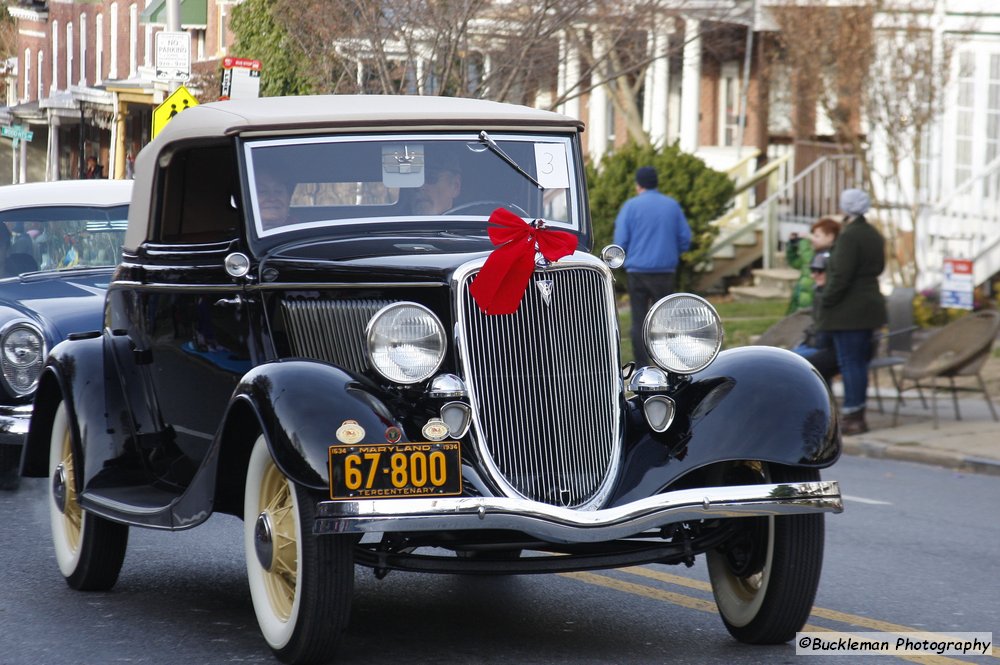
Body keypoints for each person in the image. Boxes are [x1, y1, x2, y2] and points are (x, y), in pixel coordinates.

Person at [816, 188, 887, 435]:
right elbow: (878, 267)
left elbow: (841, 276)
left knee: (850, 363)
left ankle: (853, 417)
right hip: (870, 305)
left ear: (847, 207)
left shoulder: (849, 236)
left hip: (849, 310)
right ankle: (853, 413)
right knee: (857, 363)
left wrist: (826, 299)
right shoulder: (873, 234)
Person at [613, 166, 692, 366]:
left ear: (638, 184)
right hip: (665, 271)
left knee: (639, 320)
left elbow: (620, 242)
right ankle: (668, 363)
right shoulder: (672, 206)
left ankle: (642, 365)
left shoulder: (630, 207)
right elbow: (685, 238)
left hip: (637, 271)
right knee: (666, 320)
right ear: (656, 182)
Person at [792, 251, 839, 384]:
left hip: (832, 347)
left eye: (820, 270)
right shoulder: (818, 291)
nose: (814, 275)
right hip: (817, 343)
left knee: (800, 366)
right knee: (784, 360)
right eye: (813, 270)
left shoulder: (834, 295)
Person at [786, 216, 842, 313]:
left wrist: (804, 241)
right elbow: (795, 262)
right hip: (800, 304)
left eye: (816, 236)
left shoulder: (831, 256)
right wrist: (792, 246)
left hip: (815, 308)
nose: (812, 239)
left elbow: (809, 259)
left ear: (830, 237)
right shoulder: (811, 253)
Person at [411, 151, 461, 215]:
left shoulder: (474, 223)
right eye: (412, 180)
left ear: (456, 186)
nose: (420, 187)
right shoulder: (395, 220)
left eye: (431, 177)